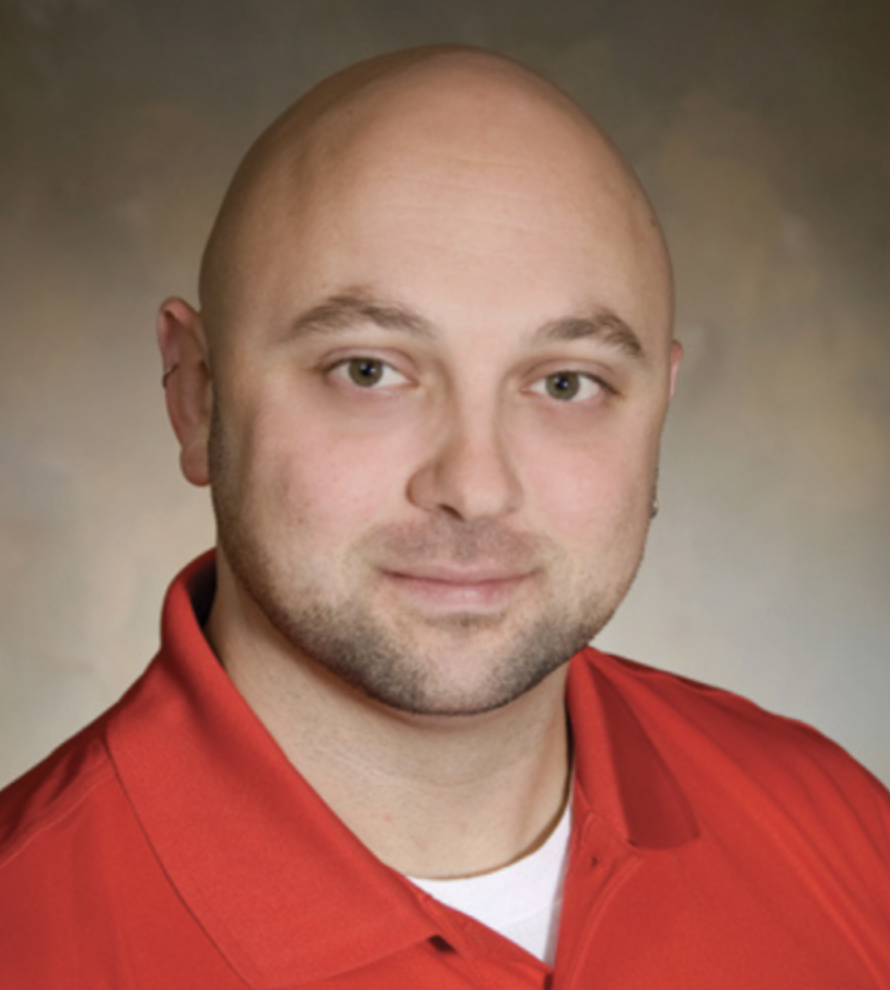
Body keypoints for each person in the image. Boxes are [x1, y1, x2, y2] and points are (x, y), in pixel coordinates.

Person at [1, 45, 888, 989]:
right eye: (368, 370)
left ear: (658, 405)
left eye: (565, 382)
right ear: (198, 397)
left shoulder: (838, 824)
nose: (475, 484)